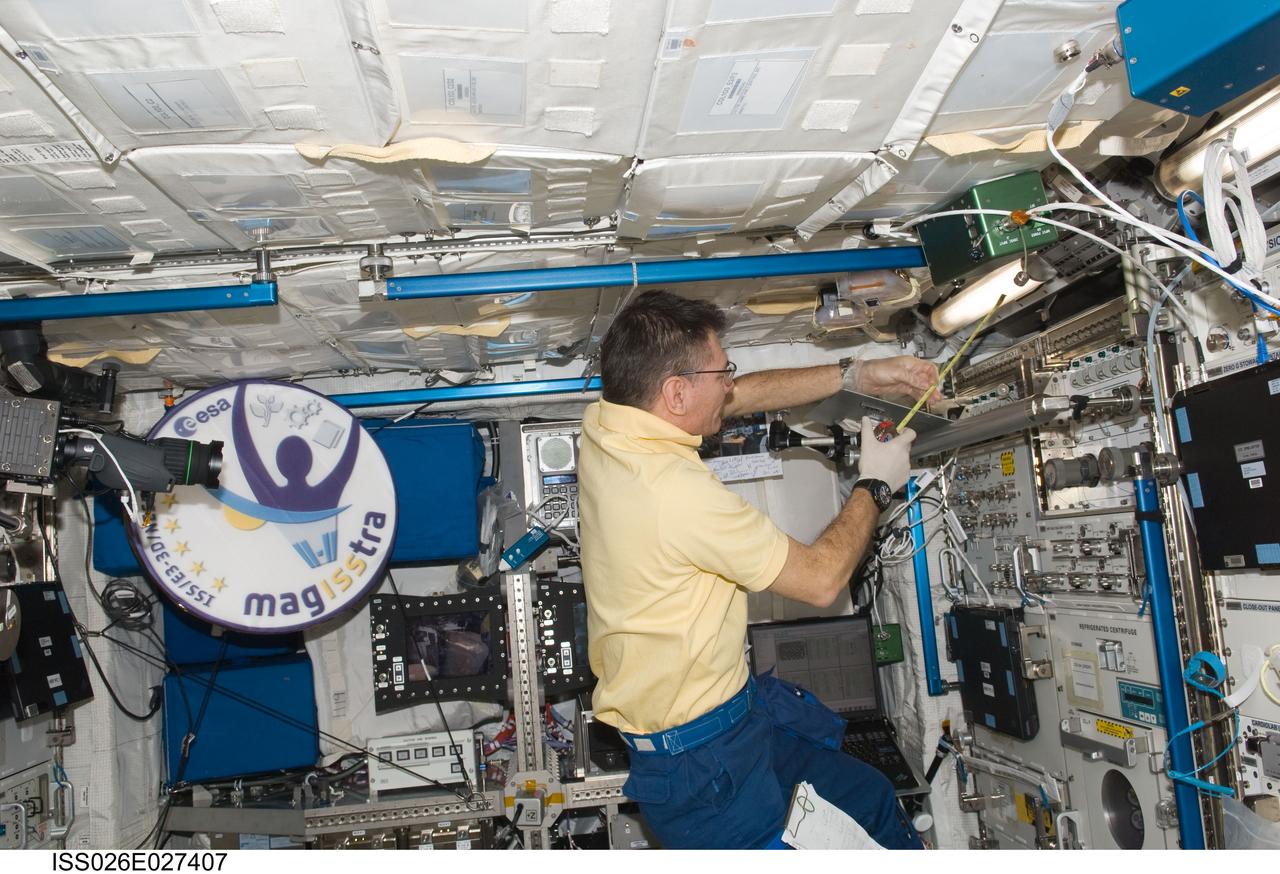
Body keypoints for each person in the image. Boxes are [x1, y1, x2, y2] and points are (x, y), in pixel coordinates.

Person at [577, 290, 938, 849]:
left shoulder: (608, 423)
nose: (730, 383)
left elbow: (737, 395)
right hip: (701, 767)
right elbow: (821, 580)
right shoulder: (675, 494)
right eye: (722, 371)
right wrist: (875, 482)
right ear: (676, 393)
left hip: (738, 720)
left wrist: (859, 374)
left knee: (868, 796)